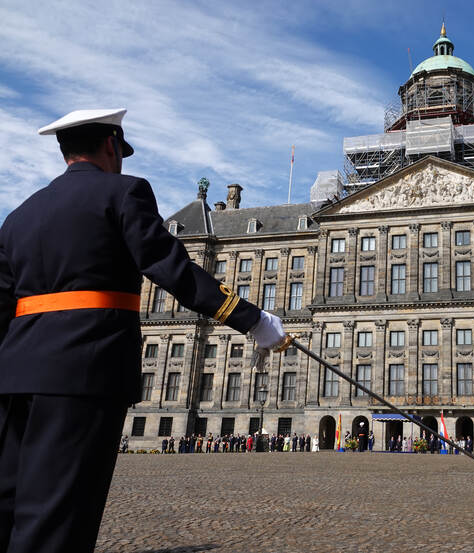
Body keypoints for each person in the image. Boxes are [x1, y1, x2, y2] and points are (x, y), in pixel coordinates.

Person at [0, 109, 291, 553]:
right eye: (121, 152)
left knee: (9, 504)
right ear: (111, 146)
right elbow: (171, 267)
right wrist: (252, 318)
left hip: (14, 378)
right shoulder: (123, 192)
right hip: (82, 373)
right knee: (58, 514)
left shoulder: (19, 215)